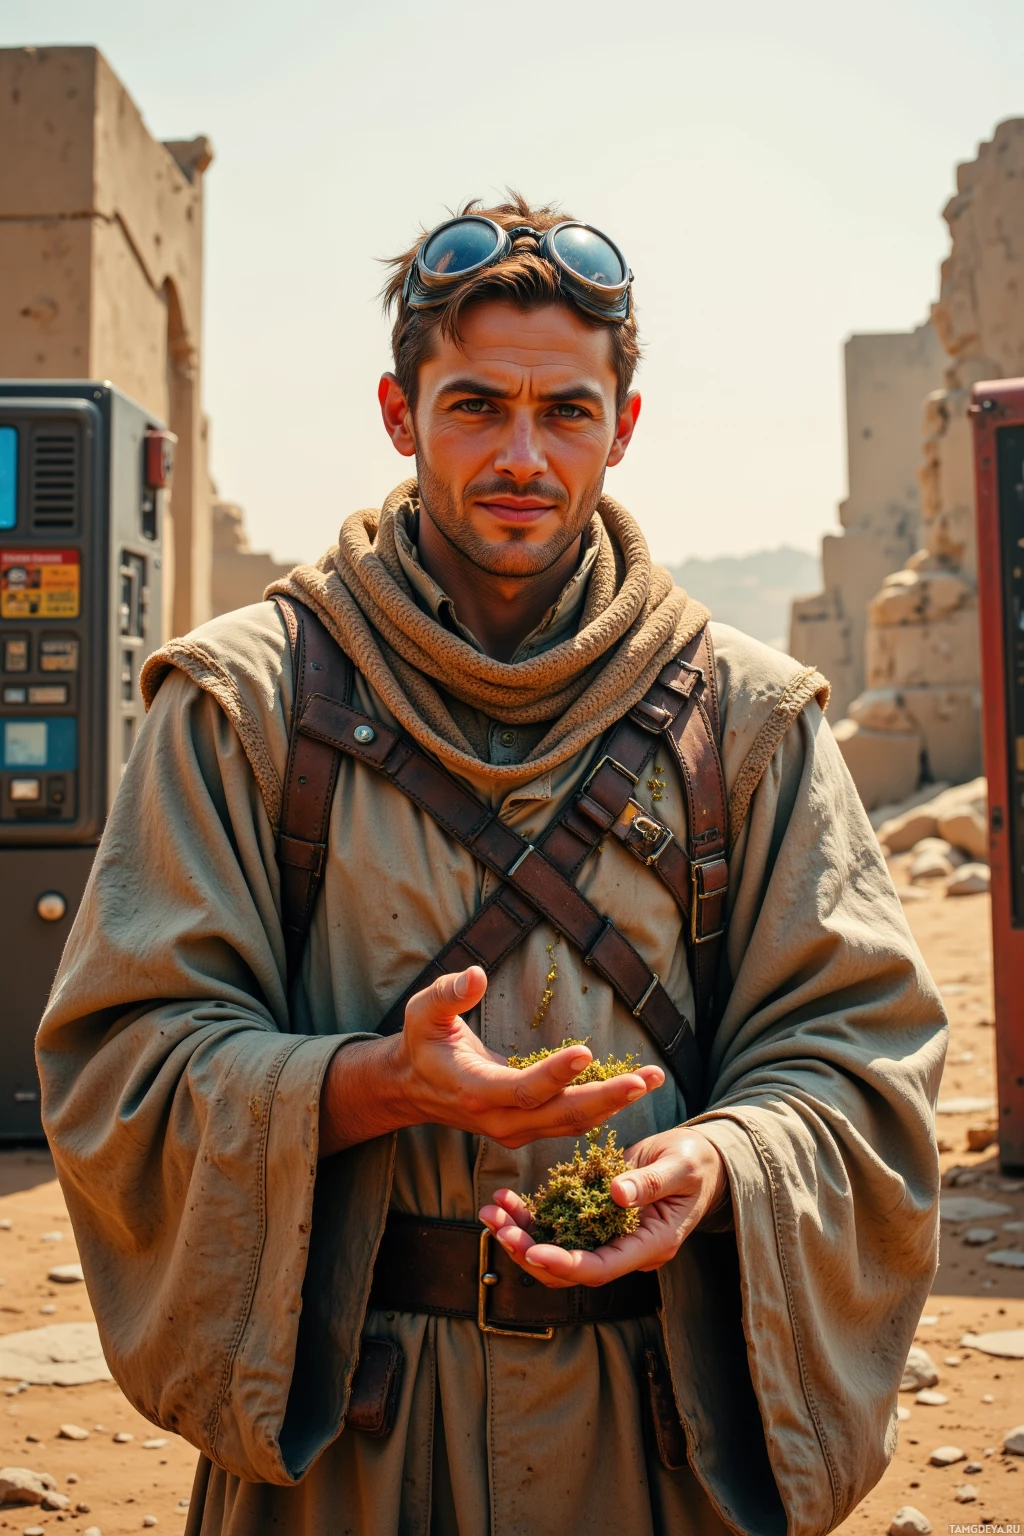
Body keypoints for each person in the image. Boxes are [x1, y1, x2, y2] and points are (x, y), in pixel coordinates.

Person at [37, 194, 945, 1536]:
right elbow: (120, 1063)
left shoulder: (748, 722)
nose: (522, 456)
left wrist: (722, 1164)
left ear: (622, 428)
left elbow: (864, 1060)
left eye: (566, 411)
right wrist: (372, 1085)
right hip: (349, 1438)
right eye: (475, 407)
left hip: (654, 1436)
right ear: (400, 414)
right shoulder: (243, 707)